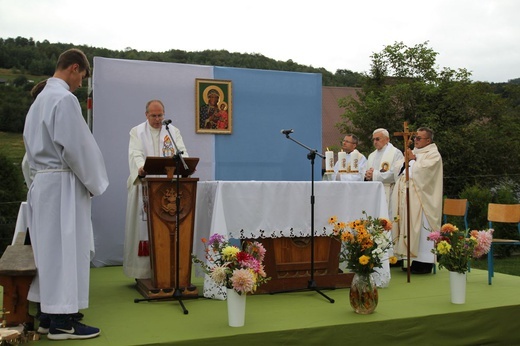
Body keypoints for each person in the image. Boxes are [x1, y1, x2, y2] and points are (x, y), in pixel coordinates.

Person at [22, 48, 109, 340]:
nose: (79, 84)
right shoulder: (63, 99)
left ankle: (49, 314)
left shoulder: (38, 102)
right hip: (63, 186)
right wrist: (95, 183)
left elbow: (28, 155)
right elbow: (78, 149)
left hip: (44, 185)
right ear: (73, 68)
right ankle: (62, 323)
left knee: (50, 253)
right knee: (65, 250)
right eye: (81, 78)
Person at [123, 100, 189, 280]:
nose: (158, 119)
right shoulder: (137, 131)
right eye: (154, 116)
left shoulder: (172, 132)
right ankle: (143, 273)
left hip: (167, 187)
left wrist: (185, 166)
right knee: (143, 229)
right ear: (146, 115)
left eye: (160, 115)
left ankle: (167, 269)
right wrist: (140, 168)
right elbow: (135, 153)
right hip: (145, 185)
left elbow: (182, 152)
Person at [391, 127, 443, 274]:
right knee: (409, 228)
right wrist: (406, 162)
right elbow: (398, 169)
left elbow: (424, 173)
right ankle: (410, 259)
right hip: (409, 199)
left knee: (421, 229)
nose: (415, 140)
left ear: (428, 140)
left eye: (419, 138)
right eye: (415, 138)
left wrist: (412, 160)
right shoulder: (415, 152)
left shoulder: (433, 154)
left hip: (423, 201)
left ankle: (425, 263)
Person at [364, 128, 404, 208]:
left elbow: (395, 174)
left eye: (378, 139)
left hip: (390, 191)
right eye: (374, 139)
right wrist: (367, 176)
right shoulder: (371, 155)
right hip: (374, 192)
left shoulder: (396, 153)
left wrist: (374, 175)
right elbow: (366, 172)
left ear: (387, 139)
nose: (375, 142)